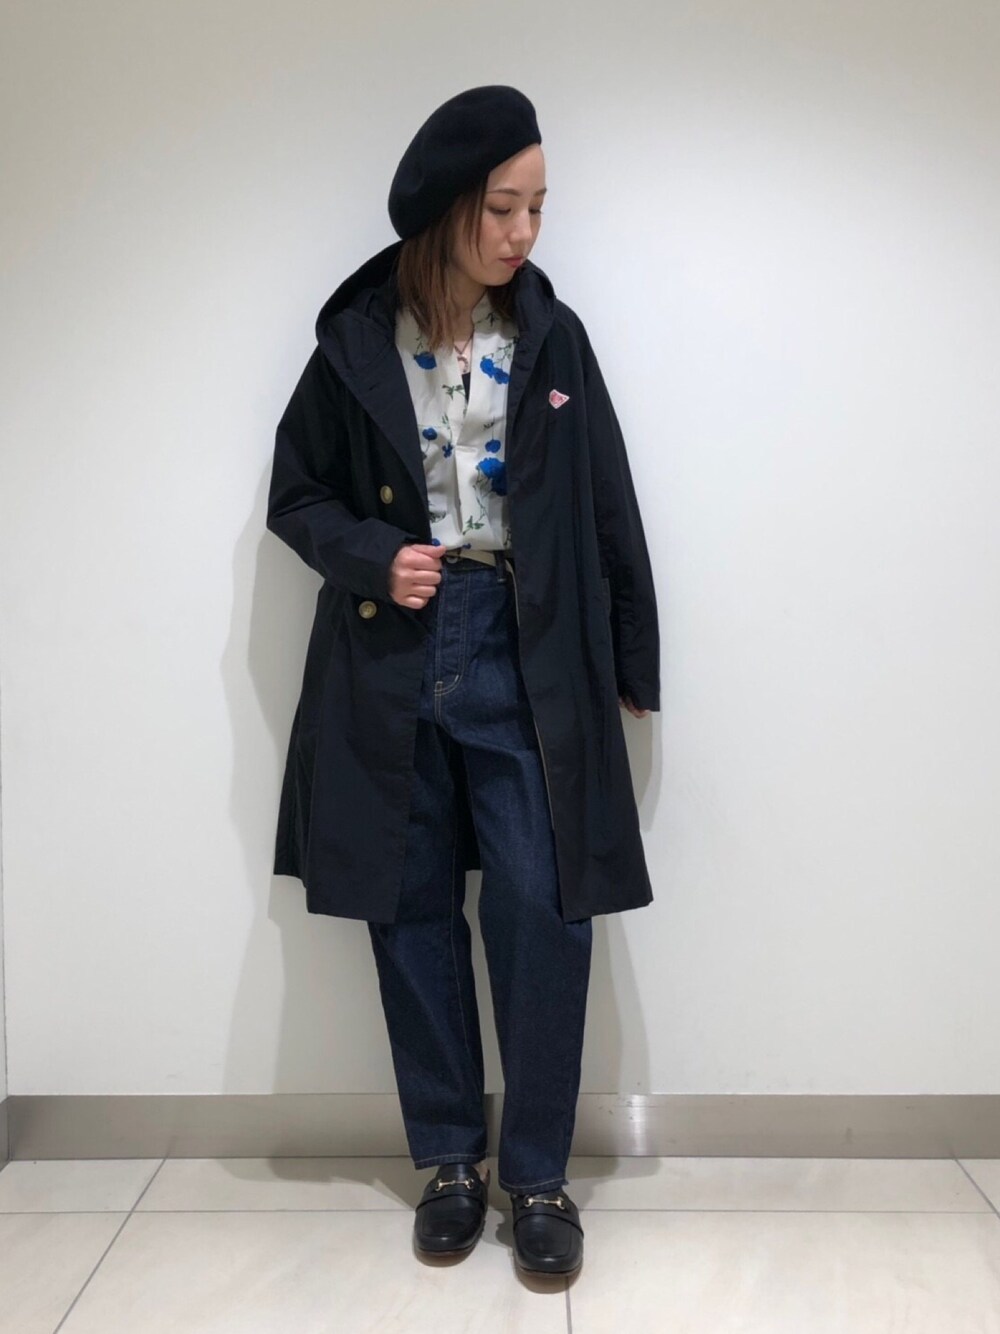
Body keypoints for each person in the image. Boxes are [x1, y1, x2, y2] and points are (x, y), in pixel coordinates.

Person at [266, 85, 660, 1278]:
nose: (524, 231)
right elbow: (296, 495)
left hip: (521, 642)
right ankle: (449, 1159)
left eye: (537, 205)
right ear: (446, 208)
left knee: (543, 904)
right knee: (410, 905)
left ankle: (536, 1175)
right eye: (502, 206)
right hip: (390, 650)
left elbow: (604, 499)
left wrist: (632, 655)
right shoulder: (354, 339)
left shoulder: (552, 338)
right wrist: (371, 555)